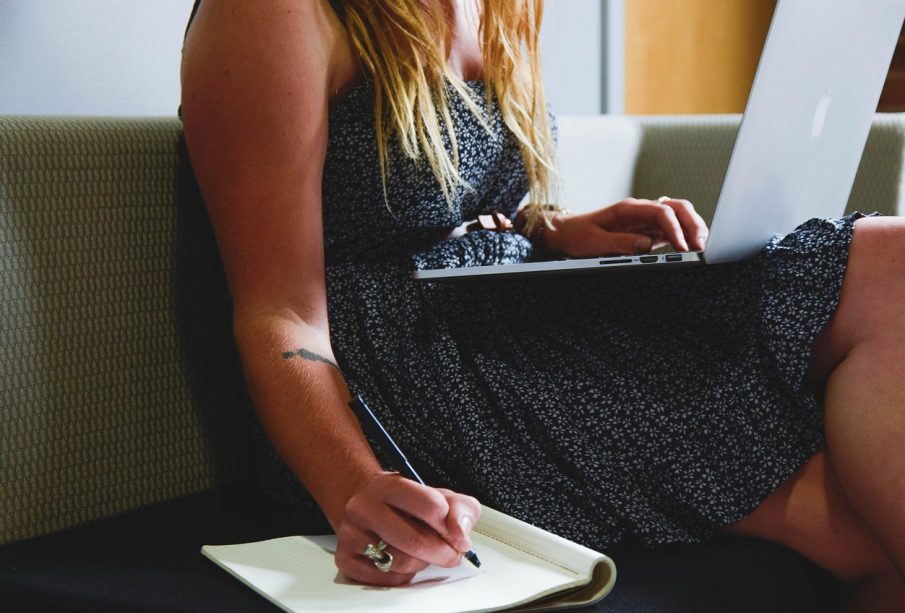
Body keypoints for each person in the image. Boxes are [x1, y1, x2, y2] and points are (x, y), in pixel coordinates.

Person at [179, 0, 905, 608]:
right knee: (857, 532)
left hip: (504, 312)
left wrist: (554, 232)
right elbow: (280, 312)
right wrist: (355, 489)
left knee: (889, 257)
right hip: (400, 374)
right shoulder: (273, 13)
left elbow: (446, 200)